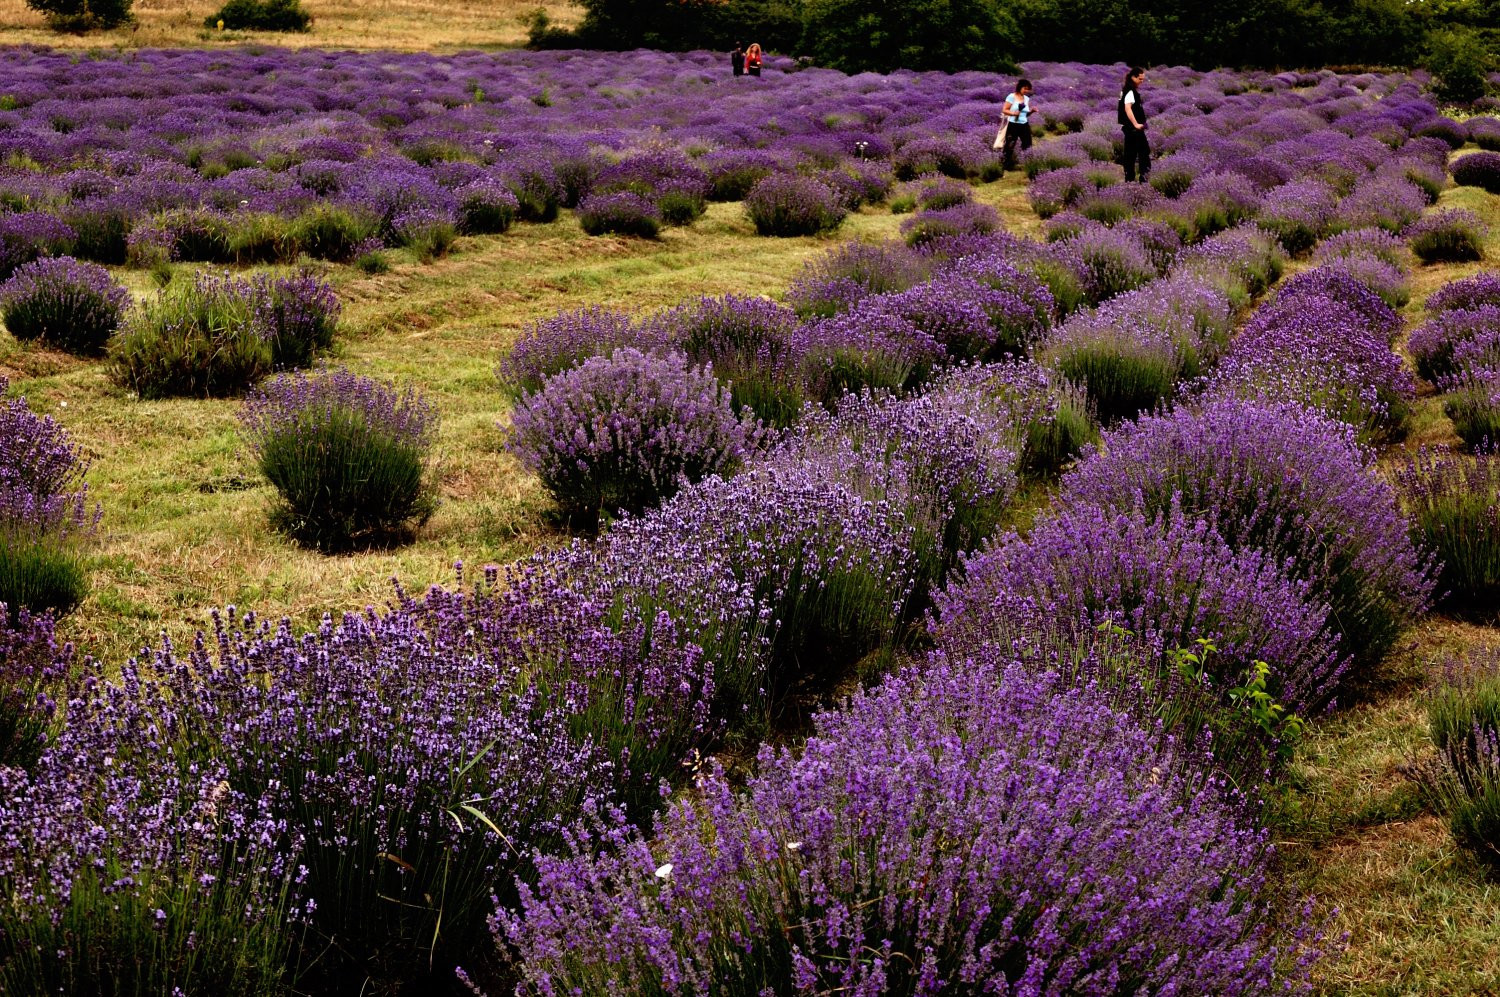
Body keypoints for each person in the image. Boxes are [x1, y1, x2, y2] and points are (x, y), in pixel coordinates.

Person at [1118, 66, 1150, 182]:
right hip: (1133, 129)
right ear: (1133, 77)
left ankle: (1129, 180)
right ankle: (1143, 179)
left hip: (1129, 128)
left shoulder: (1126, 89)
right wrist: (1136, 124)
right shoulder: (1130, 91)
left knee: (1130, 155)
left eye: (1143, 79)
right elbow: (1128, 109)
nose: (1142, 81)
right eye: (1140, 79)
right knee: (1143, 153)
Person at [1000, 78, 1034, 174]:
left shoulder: (1026, 99)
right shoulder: (1011, 96)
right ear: (1020, 87)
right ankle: (1006, 166)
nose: (1026, 91)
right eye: (1025, 88)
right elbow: (1005, 110)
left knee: (1028, 145)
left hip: (1024, 124)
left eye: (1028, 89)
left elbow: (1025, 114)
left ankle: (1030, 165)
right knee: (1010, 145)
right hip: (1013, 124)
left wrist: (1031, 111)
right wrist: (1014, 113)